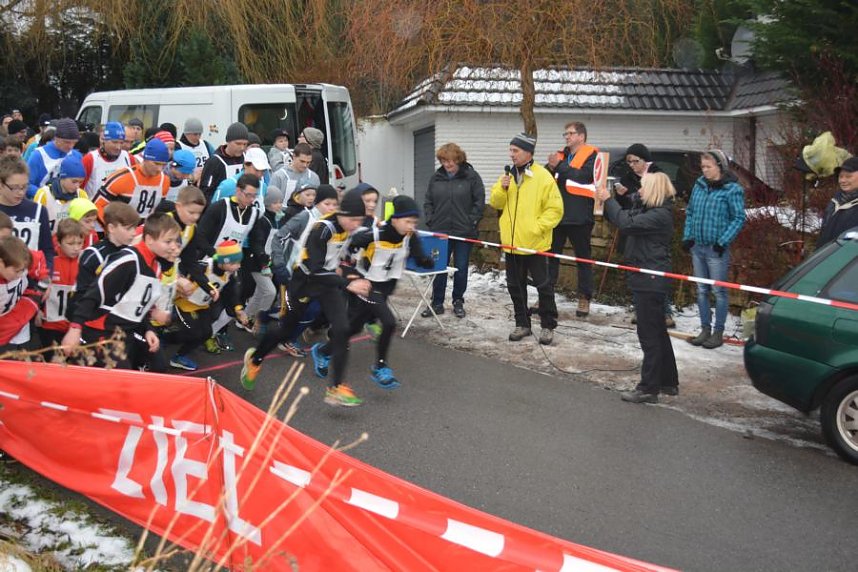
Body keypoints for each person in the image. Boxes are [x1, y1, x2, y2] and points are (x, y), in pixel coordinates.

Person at [241, 188, 371, 406]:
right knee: (285, 330)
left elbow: (344, 257)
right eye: (353, 220)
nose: (356, 225)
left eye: (360, 221)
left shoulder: (350, 229)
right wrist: (348, 283)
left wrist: (349, 272)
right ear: (342, 213)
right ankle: (255, 359)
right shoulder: (322, 229)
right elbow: (314, 269)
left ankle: (336, 388)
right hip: (304, 282)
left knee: (342, 329)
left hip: (328, 283)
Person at [597, 172, 679, 403]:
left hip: (650, 279)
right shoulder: (650, 210)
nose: (639, 191)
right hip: (646, 277)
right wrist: (618, 198)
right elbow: (626, 214)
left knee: (649, 334)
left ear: (653, 190)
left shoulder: (659, 215)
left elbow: (626, 223)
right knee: (658, 332)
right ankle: (668, 381)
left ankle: (648, 388)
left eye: (643, 187)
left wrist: (608, 199)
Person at [62, 213, 181, 371]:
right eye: (168, 241)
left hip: (127, 331)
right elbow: (94, 293)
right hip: (101, 331)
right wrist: (75, 328)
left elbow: (138, 306)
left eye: (175, 241)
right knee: (118, 376)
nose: (174, 246)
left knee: (158, 365)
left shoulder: (156, 266)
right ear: (149, 239)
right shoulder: (128, 260)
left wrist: (148, 329)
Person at [348, 195, 433, 387]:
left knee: (354, 327)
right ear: (395, 220)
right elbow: (353, 243)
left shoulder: (410, 236)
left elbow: (419, 255)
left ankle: (324, 351)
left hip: (386, 288)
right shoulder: (376, 233)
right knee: (388, 322)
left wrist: (425, 260)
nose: (411, 226)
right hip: (368, 286)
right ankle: (380, 367)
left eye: (414, 222)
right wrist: (348, 267)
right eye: (408, 221)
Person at [489, 134, 563, 345]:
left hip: (535, 244)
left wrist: (536, 228)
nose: (511, 154)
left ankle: (548, 325)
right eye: (510, 150)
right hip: (512, 244)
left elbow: (555, 209)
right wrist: (502, 188)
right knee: (515, 286)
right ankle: (522, 323)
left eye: (515, 150)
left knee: (544, 286)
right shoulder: (507, 176)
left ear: (528, 153)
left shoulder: (543, 176)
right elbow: (495, 202)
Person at [197, 173, 270, 351]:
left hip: (231, 265)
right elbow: (200, 235)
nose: (251, 200)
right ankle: (194, 332)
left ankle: (212, 333)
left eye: (254, 196)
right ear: (238, 190)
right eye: (248, 195)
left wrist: (262, 257)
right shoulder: (219, 207)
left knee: (234, 302)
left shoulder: (254, 214)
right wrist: (216, 257)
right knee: (204, 302)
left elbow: (256, 241)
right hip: (209, 262)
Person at [682, 149, 746, 349]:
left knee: (719, 292)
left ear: (720, 167)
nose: (705, 170)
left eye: (708, 166)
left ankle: (718, 332)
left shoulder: (732, 189)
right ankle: (705, 329)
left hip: (716, 249)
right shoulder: (699, 185)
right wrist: (688, 237)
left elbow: (738, 218)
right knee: (702, 290)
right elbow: (691, 212)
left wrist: (723, 241)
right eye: (703, 166)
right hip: (698, 247)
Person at [614, 143, 674, 328]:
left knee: (655, 274)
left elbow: (654, 200)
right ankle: (639, 308)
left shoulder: (657, 175)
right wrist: (620, 196)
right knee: (635, 268)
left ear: (645, 160)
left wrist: (632, 196)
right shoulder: (627, 177)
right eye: (629, 162)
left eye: (635, 161)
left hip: (650, 230)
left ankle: (665, 311)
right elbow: (624, 208)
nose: (632, 165)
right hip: (634, 228)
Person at [422, 142, 485, 318]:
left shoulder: (471, 177)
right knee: (439, 267)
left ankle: (458, 301)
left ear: (458, 159)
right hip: (440, 231)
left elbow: (479, 202)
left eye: (451, 161)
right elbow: (428, 201)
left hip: (463, 232)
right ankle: (437, 302)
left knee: (461, 268)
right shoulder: (436, 178)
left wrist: (471, 222)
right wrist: (430, 220)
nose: (447, 164)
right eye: (444, 161)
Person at [163, 240, 246, 371]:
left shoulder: (229, 274)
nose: (239, 266)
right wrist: (178, 287)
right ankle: (165, 339)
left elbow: (232, 293)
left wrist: (238, 309)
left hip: (202, 305)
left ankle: (179, 356)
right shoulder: (203, 267)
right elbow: (179, 272)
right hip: (184, 303)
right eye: (234, 263)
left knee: (207, 333)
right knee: (193, 332)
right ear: (223, 262)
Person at [545, 121, 599, 317]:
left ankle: (584, 298)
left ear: (581, 136)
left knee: (583, 259)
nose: (566, 136)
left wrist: (559, 166)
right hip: (558, 215)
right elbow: (546, 177)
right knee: (551, 258)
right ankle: (546, 295)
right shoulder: (561, 156)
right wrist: (550, 168)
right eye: (565, 134)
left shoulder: (592, 155)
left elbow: (585, 176)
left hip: (580, 217)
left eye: (570, 133)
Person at [67, 202, 140, 324]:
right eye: (128, 228)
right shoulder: (94, 255)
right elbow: (80, 296)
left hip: (123, 321)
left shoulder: (133, 254)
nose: (134, 233)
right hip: (93, 322)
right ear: (111, 228)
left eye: (135, 228)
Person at [94, 138, 171, 222]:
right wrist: (111, 226)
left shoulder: (164, 181)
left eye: (163, 165)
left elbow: (156, 210)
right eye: (156, 164)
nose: (159, 169)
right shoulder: (121, 178)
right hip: (121, 227)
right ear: (145, 159)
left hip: (145, 228)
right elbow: (97, 205)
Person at [0, 156, 54, 271]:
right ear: (1, 185)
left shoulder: (38, 210)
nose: (20, 192)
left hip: (31, 277)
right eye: (14, 188)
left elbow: (47, 250)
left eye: (24, 187)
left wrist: (46, 273)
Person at [38, 218, 85, 347]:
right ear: (59, 242)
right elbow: (39, 287)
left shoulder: (85, 261)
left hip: (74, 326)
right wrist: (37, 310)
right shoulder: (50, 261)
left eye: (79, 243)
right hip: (50, 324)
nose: (76, 248)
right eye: (70, 244)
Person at [241, 187, 283, 330]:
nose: (279, 205)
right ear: (268, 203)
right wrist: (265, 265)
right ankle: (259, 320)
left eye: (280, 202)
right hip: (257, 263)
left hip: (268, 262)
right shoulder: (263, 221)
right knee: (270, 292)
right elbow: (256, 244)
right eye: (275, 202)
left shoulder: (277, 220)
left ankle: (244, 318)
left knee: (259, 292)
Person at [32, 152, 88, 233]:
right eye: (74, 181)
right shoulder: (44, 194)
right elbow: (35, 224)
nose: (77, 186)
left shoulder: (82, 195)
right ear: (62, 177)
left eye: (80, 182)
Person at [0, 234, 38, 348]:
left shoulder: (20, 266)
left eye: (23, 270)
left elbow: (40, 260)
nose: (20, 275)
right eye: (16, 271)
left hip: (16, 329)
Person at [26, 117, 79, 196]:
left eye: (74, 143)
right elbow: (26, 185)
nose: (71, 146)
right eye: (67, 142)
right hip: (41, 201)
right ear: (56, 138)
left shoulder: (74, 155)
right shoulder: (38, 155)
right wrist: (47, 196)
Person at [199, 122, 249, 202]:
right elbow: (206, 192)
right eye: (238, 144)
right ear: (228, 141)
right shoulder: (215, 161)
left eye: (245, 144)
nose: (242, 147)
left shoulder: (247, 158)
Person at [81, 121, 132, 199]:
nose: (118, 147)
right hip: (95, 205)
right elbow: (78, 189)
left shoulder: (128, 157)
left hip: (120, 205)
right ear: (104, 140)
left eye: (121, 143)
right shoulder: (90, 159)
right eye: (114, 142)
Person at [817, 156, 858, 248]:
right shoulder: (835, 201)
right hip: (826, 254)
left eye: (848, 176)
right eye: (840, 176)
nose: (842, 180)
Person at [176, 117, 214, 183]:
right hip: (187, 186)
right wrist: (192, 178)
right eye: (195, 134)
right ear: (186, 133)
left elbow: (215, 162)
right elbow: (174, 173)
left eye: (200, 134)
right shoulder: (178, 147)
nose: (198, 137)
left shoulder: (206, 145)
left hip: (205, 184)